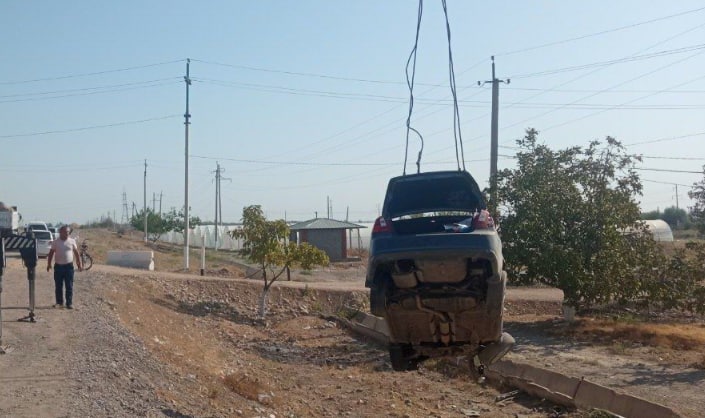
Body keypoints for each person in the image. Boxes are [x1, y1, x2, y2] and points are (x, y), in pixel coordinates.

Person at [46, 225, 82, 309]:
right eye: (65, 232)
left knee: (69, 285)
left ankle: (69, 303)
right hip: (58, 267)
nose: (67, 233)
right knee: (58, 286)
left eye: (68, 232)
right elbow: (51, 253)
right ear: (60, 232)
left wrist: (79, 263)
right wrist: (49, 264)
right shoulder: (56, 242)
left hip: (69, 267)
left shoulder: (72, 241)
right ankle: (59, 302)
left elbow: (76, 253)